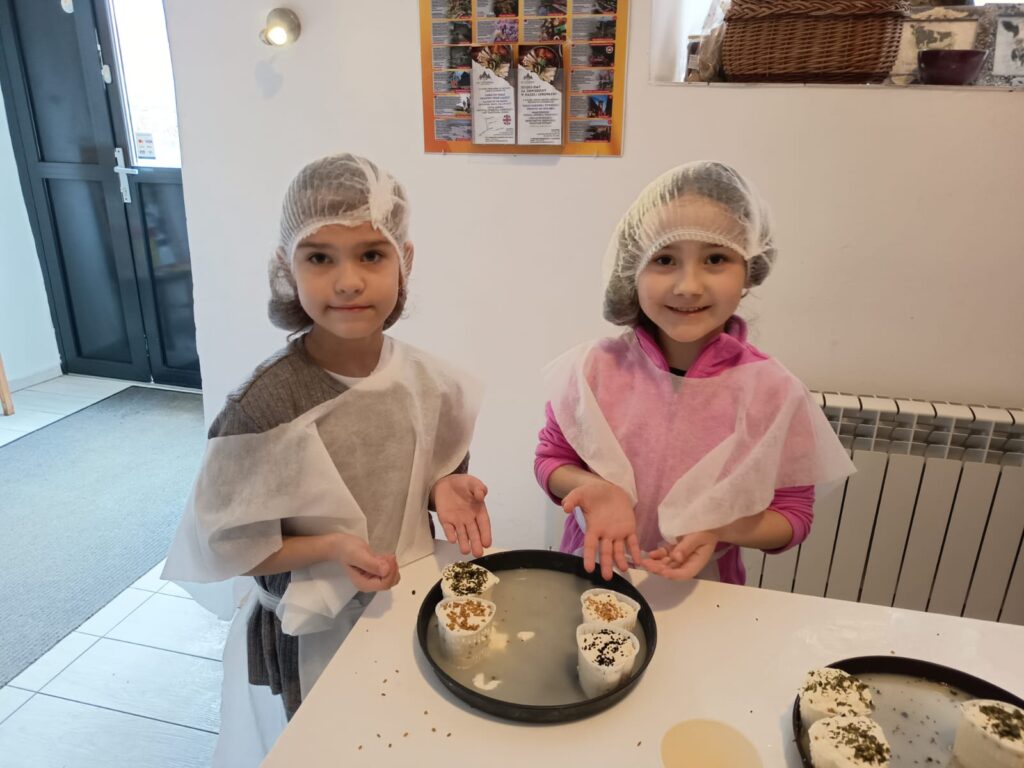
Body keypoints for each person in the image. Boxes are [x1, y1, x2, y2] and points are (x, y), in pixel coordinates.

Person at [163, 153, 491, 765]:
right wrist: (334, 547)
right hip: (306, 630)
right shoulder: (264, 406)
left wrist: (443, 488)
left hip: (406, 605)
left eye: (371, 255)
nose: (347, 282)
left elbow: (434, 466)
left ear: (404, 261)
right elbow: (228, 544)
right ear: (286, 268)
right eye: (319, 258)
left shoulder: (432, 384)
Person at [535, 161, 854, 583]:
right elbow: (552, 459)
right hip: (590, 575)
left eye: (715, 258)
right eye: (665, 259)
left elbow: (792, 514)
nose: (688, 285)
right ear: (632, 270)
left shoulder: (773, 393)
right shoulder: (594, 370)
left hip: (701, 589)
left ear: (749, 269)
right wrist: (594, 489)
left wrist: (721, 526)